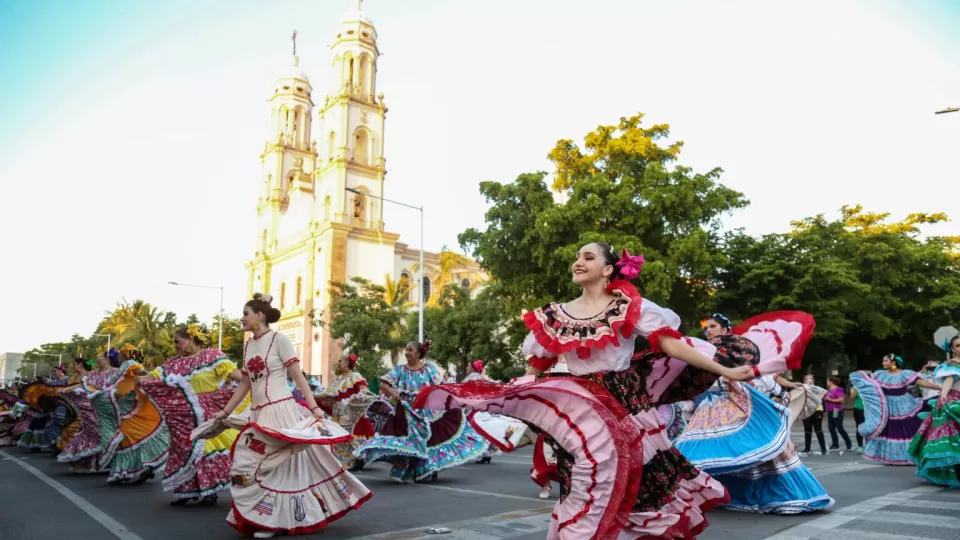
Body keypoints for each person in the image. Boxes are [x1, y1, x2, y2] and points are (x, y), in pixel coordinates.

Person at [414, 244, 760, 539]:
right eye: (578, 257)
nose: (578, 262)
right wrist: (512, 395)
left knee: (638, 487)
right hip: (581, 410)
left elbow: (670, 345)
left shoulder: (627, 306)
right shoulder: (556, 315)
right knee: (584, 484)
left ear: (608, 269)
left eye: (588, 257)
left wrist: (725, 370)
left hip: (626, 404)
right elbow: (538, 363)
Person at [206, 293, 371, 538]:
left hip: (280, 411)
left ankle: (273, 522)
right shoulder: (249, 345)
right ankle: (262, 518)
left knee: (279, 468)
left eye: (245, 314)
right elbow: (246, 384)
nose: (242, 318)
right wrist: (226, 411)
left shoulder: (279, 340)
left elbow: (297, 376)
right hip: (258, 414)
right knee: (250, 464)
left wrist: (314, 407)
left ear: (259, 315)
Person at [676, 312, 833, 514]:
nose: (709, 331)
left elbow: (760, 374)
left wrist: (784, 388)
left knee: (753, 446)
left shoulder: (737, 349)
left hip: (733, 401)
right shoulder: (703, 350)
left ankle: (778, 494)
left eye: (713, 326)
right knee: (694, 449)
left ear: (725, 329)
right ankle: (702, 492)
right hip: (709, 405)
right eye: (707, 328)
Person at [138, 325, 245, 506]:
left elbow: (237, 376)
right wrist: (132, 378)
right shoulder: (173, 363)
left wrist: (257, 376)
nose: (175, 346)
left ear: (190, 339)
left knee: (204, 450)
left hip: (207, 415)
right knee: (183, 451)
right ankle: (187, 491)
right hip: (181, 418)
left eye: (177, 342)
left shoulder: (212, 356)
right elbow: (153, 376)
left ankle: (209, 491)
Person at [355, 342, 489, 483]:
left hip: (426, 410)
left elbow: (439, 386)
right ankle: (412, 468)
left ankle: (428, 468)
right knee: (409, 439)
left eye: (410, 350)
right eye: (406, 350)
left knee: (429, 439)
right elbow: (384, 384)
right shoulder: (400, 370)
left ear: (418, 353)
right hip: (406, 411)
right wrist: (395, 395)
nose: (407, 352)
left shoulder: (428, 368)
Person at [96, 346, 170, 484]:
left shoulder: (130, 363)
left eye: (119, 354)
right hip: (123, 408)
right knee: (128, 437)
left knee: (127, 436)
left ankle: (133, 469)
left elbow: (141, 372)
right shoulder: (123, 367)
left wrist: (148, 378)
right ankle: (136, 468)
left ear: (125, 354)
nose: (117, 356)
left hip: (130, 406)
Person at [851, 354, 940, 465]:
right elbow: (869, 384)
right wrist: (859, 380)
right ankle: (892, 457)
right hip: (887, 406)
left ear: (893, 362)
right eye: (883, 361)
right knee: (889, 430)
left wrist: (941, 388)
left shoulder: (904, 374)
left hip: (904, 405)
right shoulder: (880, 375)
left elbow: (922, 383)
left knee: (906, 428)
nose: (883, 363)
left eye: (886, 361)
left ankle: (911, 455)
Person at [908, 336, 960, 486]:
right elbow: (949, 381)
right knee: (953, 441)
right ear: (952, 349)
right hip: (953, 402)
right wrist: (944, 394)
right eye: (958, 345)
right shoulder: (951, 365)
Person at [462, 360, 533, 465]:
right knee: (482, 430)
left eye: (468, 365)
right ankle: (486, 453)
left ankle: (474, 452)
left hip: (472, 408)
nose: (467, 367)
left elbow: (462, 392)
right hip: (480, 407)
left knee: (471, 430)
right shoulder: (481, 378)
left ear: (472, 368)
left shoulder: (471, 378)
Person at [314, 353, 376, 471]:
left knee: (351, 438)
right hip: (338, 414)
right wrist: (311, 396)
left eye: (340, 361)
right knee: (339, 437)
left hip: (352, 414)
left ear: (347, 363)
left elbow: (364, 391)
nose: (338, 363)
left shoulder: (355, 376)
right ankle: (345, 462)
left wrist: (353, 401)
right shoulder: (336, 381)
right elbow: (327, 395)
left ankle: (354, 461)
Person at [57, 357, 107, 473]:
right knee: (88, 434)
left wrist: (89, 386)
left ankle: (101, 462)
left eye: (74, 364)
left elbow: (104, 388)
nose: (72, 367)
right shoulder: (89, 375)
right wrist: (66, 390)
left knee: (97, 434)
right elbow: (80, 385)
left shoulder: (93, 374)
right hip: (82, 411)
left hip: (98, 408)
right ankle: (88, 463)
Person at [799, 374, 828, 457]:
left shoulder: (818, 389)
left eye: (810, 379)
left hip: (817, 410)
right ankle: (807, 448)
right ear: (804, 381)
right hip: (806, 411)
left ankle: (823, 449)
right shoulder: (802, 388)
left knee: (818, 430)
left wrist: (824, 409)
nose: (809, 381)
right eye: (807, 379)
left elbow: (824, 396)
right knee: (807, 430)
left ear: (813, 380)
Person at [824, 376, 853, 453]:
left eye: (828, 381)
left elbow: (841, 400)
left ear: (831, 382)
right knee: (831, 428)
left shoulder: (838, 389)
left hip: (836, 410)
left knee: (839, 427)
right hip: (830, 411)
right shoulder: (829, 390)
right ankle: (835, 445)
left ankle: (849, 444)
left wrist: (829, 399)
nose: (827, 383)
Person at [849, 381, 865, 453]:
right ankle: (860, 446)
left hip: (868, 409)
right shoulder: (854, 387)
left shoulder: (868, 387)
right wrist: (856, 387)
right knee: (859, 427)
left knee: (870, 427)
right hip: (858, 409)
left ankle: (869, 445)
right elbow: (852, 397)